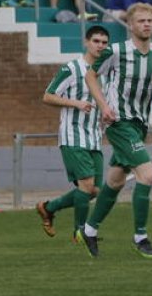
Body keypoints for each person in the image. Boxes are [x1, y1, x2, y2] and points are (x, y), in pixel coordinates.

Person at [80, 3, 152, 258]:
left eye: (150, 21)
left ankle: (89, 229)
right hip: (119, 122)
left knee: (116, 181)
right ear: (130, 25)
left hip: (140, 123)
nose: (146, 25)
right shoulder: (117, 51)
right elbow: (90, 75)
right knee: (147, 174)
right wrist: (103, 105)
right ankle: (140, 237)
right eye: (141, 21)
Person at [36, 26, 110, 237]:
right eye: (96, 41)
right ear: (86, 42)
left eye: (104, 43)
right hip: (73, 134)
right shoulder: (72, 68)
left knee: (94, 190)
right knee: (86, 185)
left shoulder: (105, 72)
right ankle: (81, 232)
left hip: (94, 137)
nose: (100, 46)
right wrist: (75, 103)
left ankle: (49, 208)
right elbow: (48, 96)